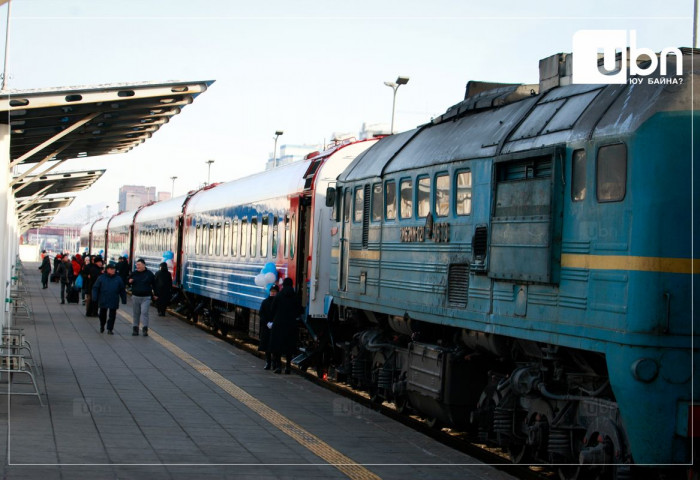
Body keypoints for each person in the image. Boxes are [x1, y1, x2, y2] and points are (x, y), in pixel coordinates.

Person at [269, 277, 303, 374]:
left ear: (283, 285)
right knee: (289, 346)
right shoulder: (295, 297)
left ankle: (279, 366)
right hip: (291, 324)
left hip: (279, 324)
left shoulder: (278, 296)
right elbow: (300, 310)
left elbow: (272, 309)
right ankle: (288, 366)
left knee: (277, 345)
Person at [91, 263, 127, 334]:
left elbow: (122, 289)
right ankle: (102, 325)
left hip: (114, 299)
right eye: (112, 269)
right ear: (107, 270)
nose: (113, 270)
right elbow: (95, 288)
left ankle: (110, 329)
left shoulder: (118, 278)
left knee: (112, 315)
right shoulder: (101, 277)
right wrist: (94, 297)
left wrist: (123, 299)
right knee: (102, 314)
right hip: (103, 298)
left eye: (114, 269)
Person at [128, 258, 156, 336]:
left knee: (144, 312)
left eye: (139, 265)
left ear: (144, 265)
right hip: (135, 296)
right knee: (136, 313)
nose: (137, 266)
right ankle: (135, 328)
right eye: (137, 265)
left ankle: (144, 329)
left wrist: (155, 294)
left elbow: (154, 284)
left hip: (146, 297)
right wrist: (129, 281)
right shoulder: (134, 273)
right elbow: (127, 281)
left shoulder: (149, 274)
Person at [258, 284, 279, 370]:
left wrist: (274, 323)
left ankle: (274, 362)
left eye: (274, 292)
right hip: (266, 327)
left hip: (275, 326)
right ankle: (268, 362)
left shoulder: (278, 303)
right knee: (266, 345)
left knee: (274, 345)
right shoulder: (265, 302)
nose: (273, 293)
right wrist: (267, 323)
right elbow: (261, 314)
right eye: (271, 291)